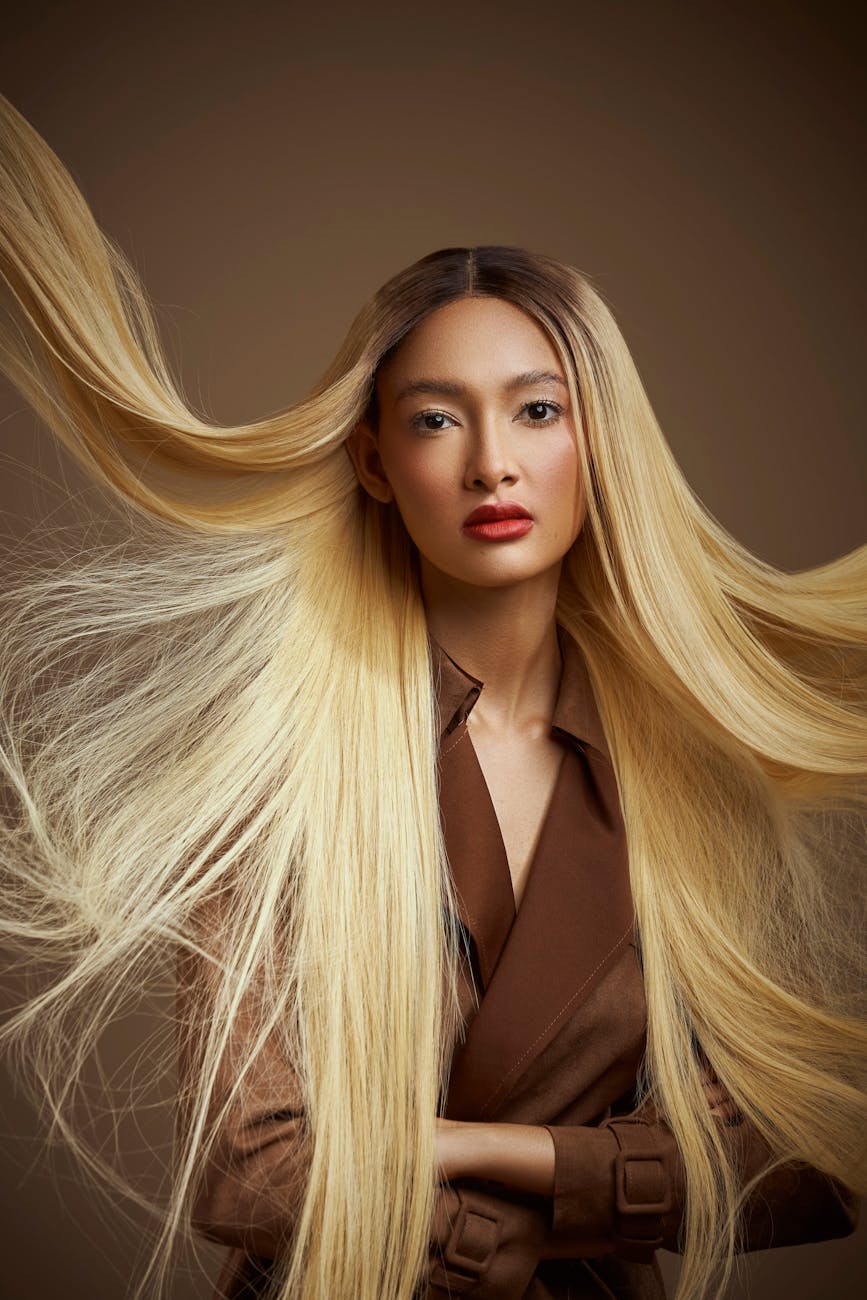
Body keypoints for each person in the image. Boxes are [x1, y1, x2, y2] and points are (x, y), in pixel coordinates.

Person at [0, 92, 864, 1300]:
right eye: (436, 419)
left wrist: (484, 1154)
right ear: (374, 462)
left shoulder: (689, 770)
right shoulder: (276, 757)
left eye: (538, 410)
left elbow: (808, 1164)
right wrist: (548, 1205)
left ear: (596, 444)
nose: (492, 462)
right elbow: (248, 1173)